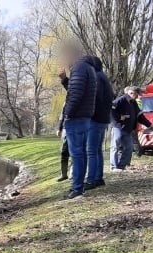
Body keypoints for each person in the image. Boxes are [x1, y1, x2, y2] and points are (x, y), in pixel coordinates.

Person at [58, 46, 97, 199]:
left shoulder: (79, 68)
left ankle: (77, 189)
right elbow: (76, 90)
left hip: (76, 118)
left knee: (77, 154)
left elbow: (75, 95)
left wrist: (67, 115)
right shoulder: (87, 68)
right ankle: (78, 186)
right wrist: (64, 80)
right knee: (81, 153)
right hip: (85, 116)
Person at [85, 56, 114, 191]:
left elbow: (94, 98)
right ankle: (98, 177)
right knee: (97, 150)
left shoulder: (96, 78)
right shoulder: (104, 77)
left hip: (95, 118)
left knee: (91, 150)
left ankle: (91, 180)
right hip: (103, 118)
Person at [110, 86, 153, 171]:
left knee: (129, 148)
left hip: (128, 129)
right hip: (118, 128)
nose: (137, 97)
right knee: (115, 147)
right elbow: (111, 110)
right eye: (136, 95)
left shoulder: (133, 103)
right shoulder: (121, 100)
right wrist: (119, 117)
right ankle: (113, 167)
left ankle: (121, 166)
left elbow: (140, 116)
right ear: (131, 93)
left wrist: (149, 125)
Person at [56, 114, 70, 182]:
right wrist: (59, 128)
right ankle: (64, 174)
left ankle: (73, 174)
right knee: (64, 152)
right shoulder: (66, 103)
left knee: (75, 152)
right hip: (66, 127)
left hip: (74, 126)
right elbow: (62, 115)